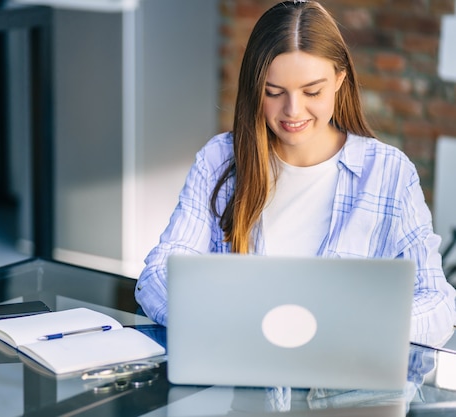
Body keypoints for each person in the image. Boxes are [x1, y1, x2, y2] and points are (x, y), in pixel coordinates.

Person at [135, 0, 456, 347]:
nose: (293, 110)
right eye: (274, 93)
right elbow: (157, 275)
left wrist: (359, 329)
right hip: (236, 385)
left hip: (344, 390)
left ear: (339, 81)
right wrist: (212, 321)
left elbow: (438, 303)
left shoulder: (388, 173)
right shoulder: (218, 160)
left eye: (312, 91)